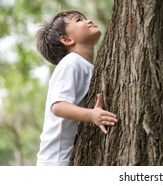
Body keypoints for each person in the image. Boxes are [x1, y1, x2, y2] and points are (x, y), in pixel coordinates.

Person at [35, 10, 117, 166]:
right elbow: (58, 106)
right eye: (79, 20)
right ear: (66, 39)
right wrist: (91, 115)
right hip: (55, 162)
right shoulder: (71, 63)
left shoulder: (88, 66)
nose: (89, 21)